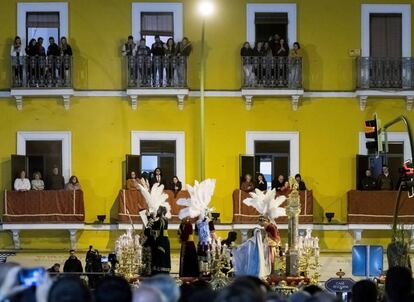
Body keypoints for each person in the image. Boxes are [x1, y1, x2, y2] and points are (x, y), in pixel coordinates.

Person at [151, 206, 171, 274]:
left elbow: (155, 227)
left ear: (162, 212)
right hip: (164, 240)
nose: (157, 211)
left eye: (158, 210)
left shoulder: (161, 220)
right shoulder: (164, 219)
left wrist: (149, 218)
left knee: (161, 257)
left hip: (162, 241)